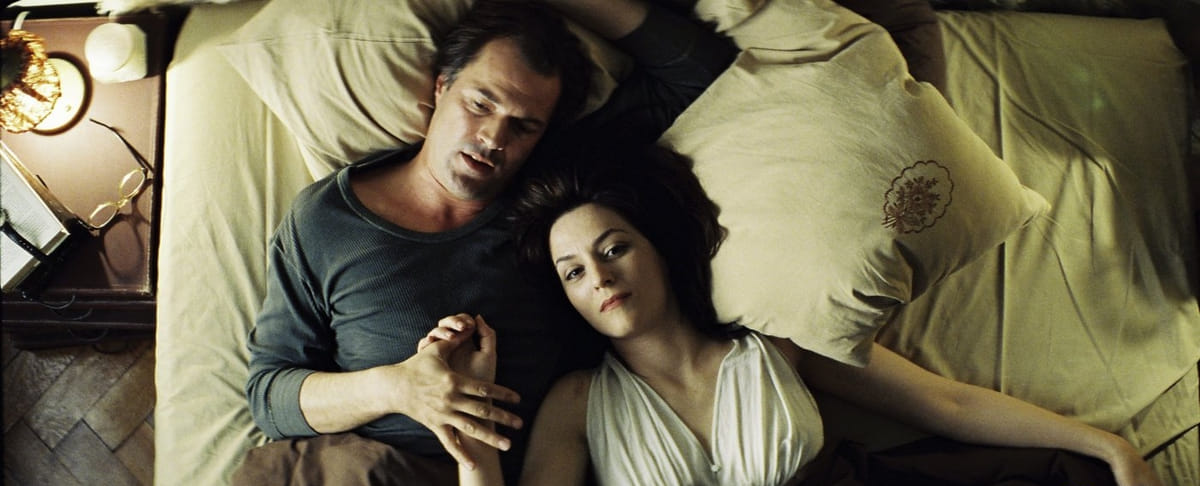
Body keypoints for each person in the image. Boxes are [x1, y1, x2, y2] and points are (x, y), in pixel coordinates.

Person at [420, 145, 1163, 486]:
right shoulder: (578, 402)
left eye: (615, 248)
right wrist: (475, 461)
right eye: (574, 272)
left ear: (658, 249)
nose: (601, 277)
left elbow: (946, 403)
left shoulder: (774, 344)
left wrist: (1109, 447)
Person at [238, 0, 740, 484]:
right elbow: (270, 396)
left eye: (524, 125)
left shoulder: (551, 194)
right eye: (480, 104)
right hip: (373, 468)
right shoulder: (327, 220)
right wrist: (396, 388)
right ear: (441, 87)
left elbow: (696, 67)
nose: (494, 138)